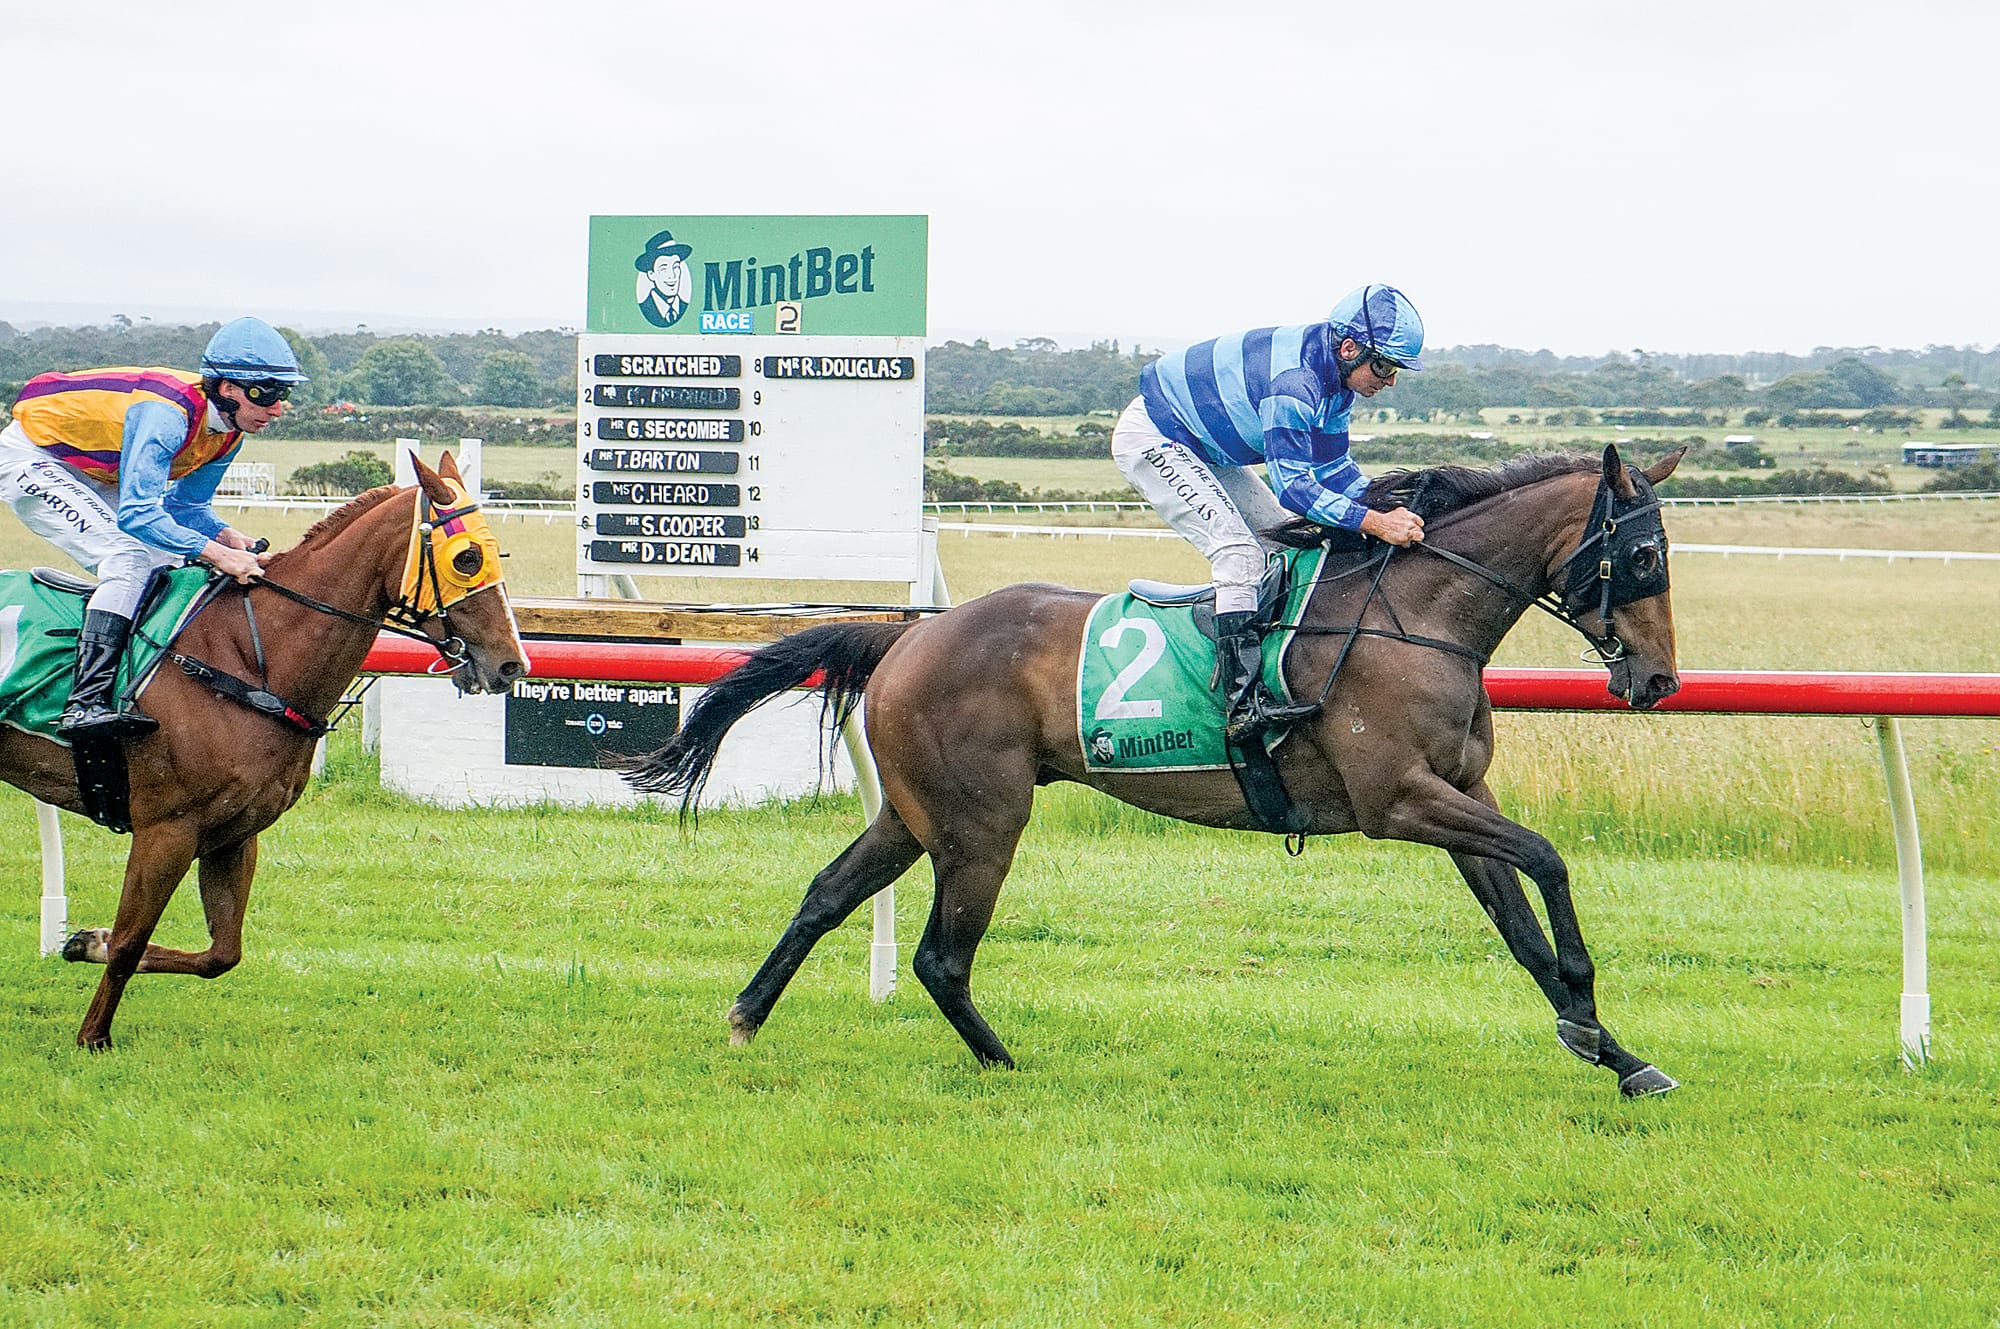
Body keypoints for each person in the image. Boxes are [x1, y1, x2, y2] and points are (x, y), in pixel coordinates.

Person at [1111, 283, 1430, 734]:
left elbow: (1336, 470)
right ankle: (1239, 705)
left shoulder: (1337, 385)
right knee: (1239, 553)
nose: (1390, 380)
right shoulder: (1295, 384)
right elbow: (1296, 489)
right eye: (1383, 365)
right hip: (1156, 437)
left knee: (1286, 538)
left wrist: (1396, 504)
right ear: (1349, 347)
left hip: (1206, 448)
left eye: (1397, 368)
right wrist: (1375, 522)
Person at [0, 316, 303, 740]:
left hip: (97, 471)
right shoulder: (168, 414)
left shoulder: (228, 433)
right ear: (227, 389)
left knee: (170, 560)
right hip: (35, 457)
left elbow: (187, 506)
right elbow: (139, 515)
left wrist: (226, 535)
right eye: (266, 393)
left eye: (283, 393)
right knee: (127, 559)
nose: (277, 407)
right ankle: (83, 704)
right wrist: (217, 554)